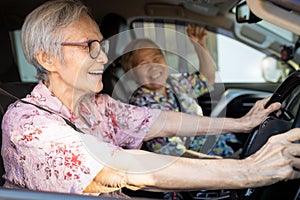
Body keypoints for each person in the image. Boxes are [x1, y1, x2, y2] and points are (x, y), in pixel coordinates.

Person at [1, 0, 300, 198]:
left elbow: (162, 120)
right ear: (47, 58)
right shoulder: (27, 123)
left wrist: (241, 123)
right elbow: (120, 167)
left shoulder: (96, 105)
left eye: (101, 44)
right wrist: (250, 170)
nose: (104, 56)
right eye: (89, 46)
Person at [121, 32, 240, 159]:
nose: (154, 66)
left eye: (157, 58)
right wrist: (224, 162)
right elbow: (172, 153)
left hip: (223, 144)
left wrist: (199, 45)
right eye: (143, 64)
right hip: (202, 162)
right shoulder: (140, 107)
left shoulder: (175, 82)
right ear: (132, 74)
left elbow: (207, 79)